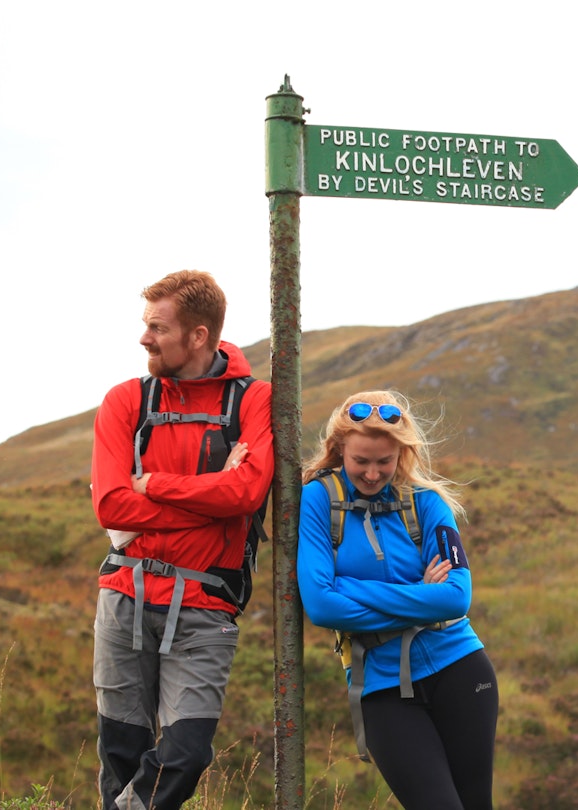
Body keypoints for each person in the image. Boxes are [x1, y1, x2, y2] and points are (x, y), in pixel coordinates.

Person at [90, 270, 274, 810]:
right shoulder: (126, 400)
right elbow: (110, 506)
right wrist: (211, 501)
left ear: (198, 336)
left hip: (206, 606)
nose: (144, 338)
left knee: (186, 753)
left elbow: (247, 494)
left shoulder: (253, 400)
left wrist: (157, 488)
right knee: (121, 754)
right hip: (124, 597)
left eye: (157, 327)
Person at [297, 390, 497, 810]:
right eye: (360, 461)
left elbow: (456, 598)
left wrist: (346, 586)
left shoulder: (426, 502)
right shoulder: (319, 499)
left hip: (460, 666)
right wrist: (420, 594)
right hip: (381, 684)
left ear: (402, 453)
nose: (372, 474)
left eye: (383, 462)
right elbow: (320, 606)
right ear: (338, 451)